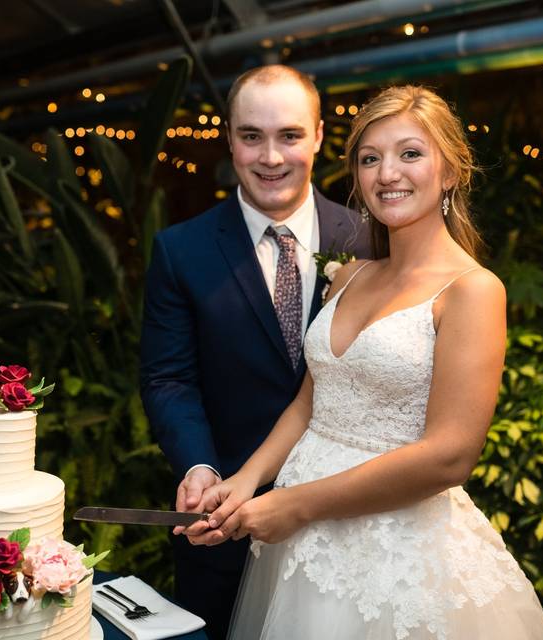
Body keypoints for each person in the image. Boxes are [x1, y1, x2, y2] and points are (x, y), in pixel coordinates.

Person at [183, 85, 543, 639]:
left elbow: (449, 457)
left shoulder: (472, 291)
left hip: (398, 555)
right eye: (370, 158)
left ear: (450, 171)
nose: (388, 174)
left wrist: (297, 505)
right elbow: (311, 403)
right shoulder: (351, 274)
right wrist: (247, 480)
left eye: (410, 153)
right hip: (301, 546)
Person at [139, 65, 373, 639]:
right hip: (223, 523)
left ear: (319, 136)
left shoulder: (370, 240)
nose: (271, 157)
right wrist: (200, 466)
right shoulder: (180, 250)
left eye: (289, 136)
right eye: (251, 136)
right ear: (230, 138)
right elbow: (169, 377)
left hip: (352, 515)